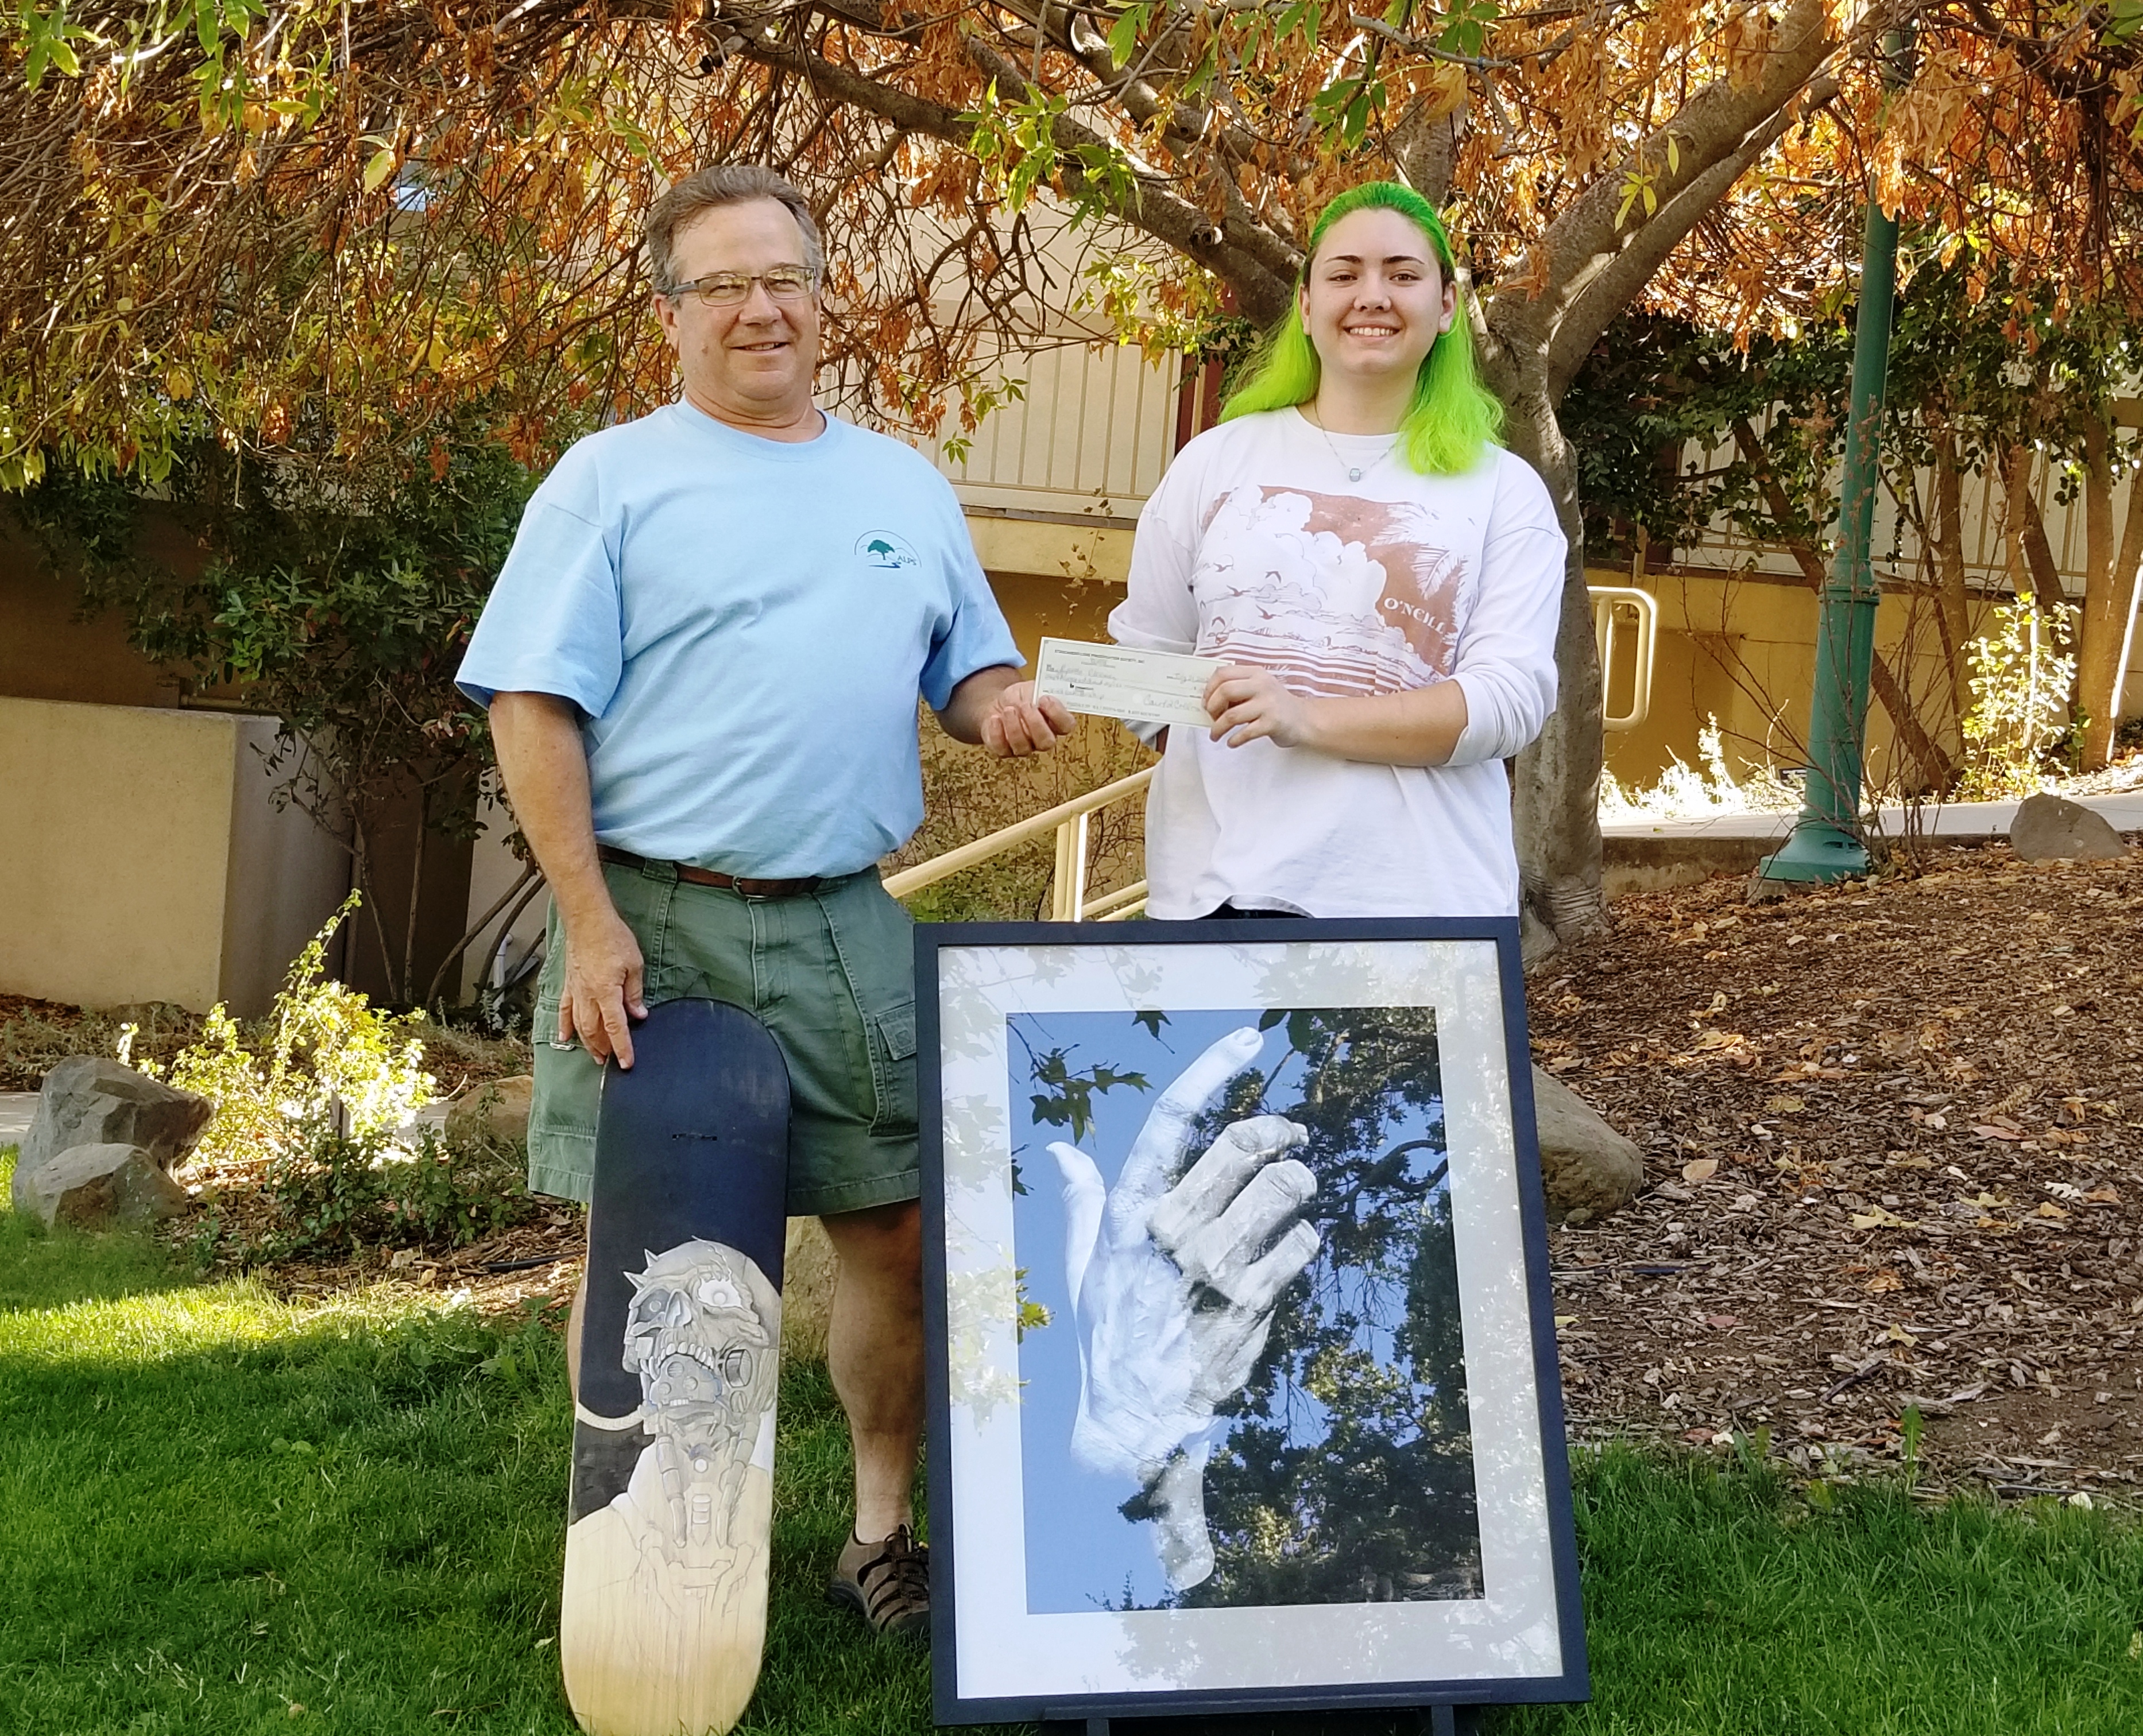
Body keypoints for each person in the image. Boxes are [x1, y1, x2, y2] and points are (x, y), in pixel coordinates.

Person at [454, 163, 1068, 1639]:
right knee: (639, 1255)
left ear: (821, 294)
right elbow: (530, 704)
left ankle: (877, 1539)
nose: (759, 308)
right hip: (649, 919)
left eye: (781, 277)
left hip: (846, 921)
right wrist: (587, 921)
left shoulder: (899, 486)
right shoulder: (610, 479)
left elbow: (967, 672)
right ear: (672, 314)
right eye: (722, 284)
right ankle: (638, 1541)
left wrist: (1014, 707)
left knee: (899, 1244)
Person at [1101, 181, 1567, 919]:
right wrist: (1062, 694)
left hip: (1421, 910)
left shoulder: (1504, 491)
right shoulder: (1215, 463)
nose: (1372, 296)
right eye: (1344, 274)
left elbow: (1505, 704)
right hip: (1212, 900)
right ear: (1306, 304)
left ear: (1446, 308)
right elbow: (1144, 667)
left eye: (1403, 275)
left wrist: (1306, 719)